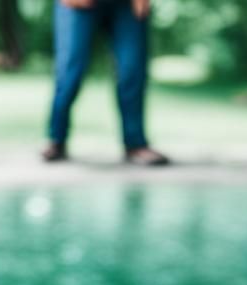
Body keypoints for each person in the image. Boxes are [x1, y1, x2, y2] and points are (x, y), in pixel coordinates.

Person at [42, 0, 169, 166]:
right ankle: (56, 139)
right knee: (70, 72)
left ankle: (135, 143)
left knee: (132, 69)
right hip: (77, 6)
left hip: (125, 5)